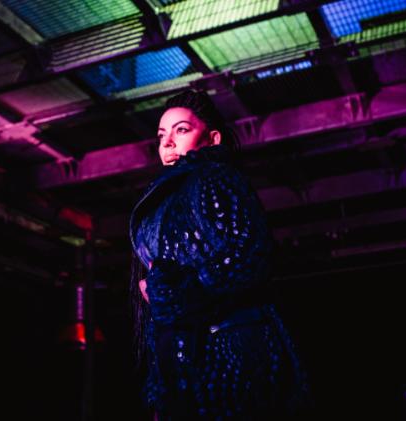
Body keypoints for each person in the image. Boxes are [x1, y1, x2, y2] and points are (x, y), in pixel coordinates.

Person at [129, 89, 310, 420]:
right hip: (188, 357)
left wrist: (169, 289)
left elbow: (249, 255)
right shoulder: (173, 193)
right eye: (161, 135)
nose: (166, 143)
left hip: (229, 353)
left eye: (181, 130)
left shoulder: (212, 176)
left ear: (212, 139)